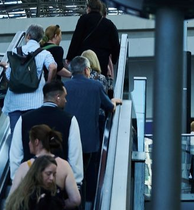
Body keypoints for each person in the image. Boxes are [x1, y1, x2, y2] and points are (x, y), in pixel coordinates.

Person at [63, 57, 119, 203]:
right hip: (89, 141)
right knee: (89, 175)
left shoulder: (65, 87)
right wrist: (114, 102)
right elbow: (109, 107)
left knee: (71, 174)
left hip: (68, 142)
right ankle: (88, 203)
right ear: (87, 70)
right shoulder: (95, 86)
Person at [9, 79, 83, 188]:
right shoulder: (69, 120)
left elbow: (16, 153)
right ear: (58, 97)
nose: (65, 101)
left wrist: (16, 179)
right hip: (57, 183)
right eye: (64, 97)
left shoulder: (24, 119)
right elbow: (74, 154)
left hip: (29, 183)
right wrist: (76, 182)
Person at [9, 126, 81, 209]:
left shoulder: (24, 167)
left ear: (36, 142)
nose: (29, 143)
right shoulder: (65, 165)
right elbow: (75, 199)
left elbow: (12, 199)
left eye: (30, 140)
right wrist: (59, 205)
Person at [3, 24, 57, 135]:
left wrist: (6, 67)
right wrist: (47, 84)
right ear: (40, 38)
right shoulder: (44, 53)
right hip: (35, 102)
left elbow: (9, 76)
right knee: (33, 136)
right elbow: (53, 67)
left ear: (28, 36)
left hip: (15, 102)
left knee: (16, 136)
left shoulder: (15, 51)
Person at [66, 0, 119, 78]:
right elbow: (115, 44)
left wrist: (70, 57)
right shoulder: (109, 24)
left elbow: (76, 39)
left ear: (88, 8)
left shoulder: (83, 20)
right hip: (101, 60)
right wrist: (114, 59)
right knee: (100, 80)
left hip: (84, 59)